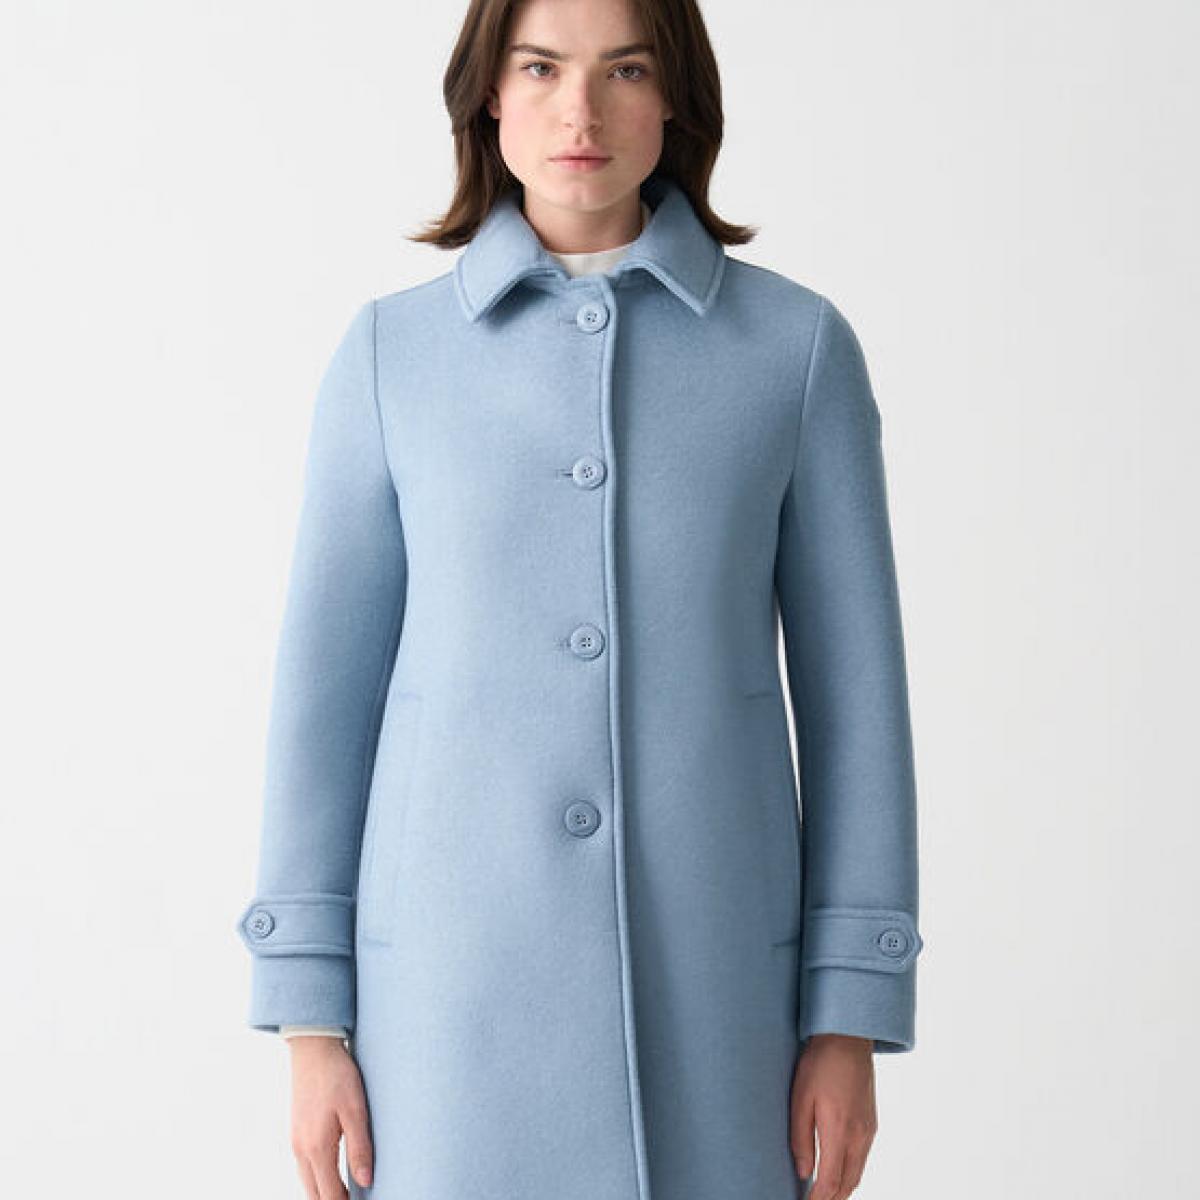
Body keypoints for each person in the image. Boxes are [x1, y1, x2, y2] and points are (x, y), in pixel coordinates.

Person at [235, 1, 924, 1197]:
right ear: (489, 94)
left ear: (677, 98)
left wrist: (849, 1014)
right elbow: (322, 706)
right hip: (443, 1012)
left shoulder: (796, 352)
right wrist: (309, 1019)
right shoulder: (392, 358)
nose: (581, 111)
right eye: (542, 68)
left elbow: (858, 710)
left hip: (716, 1000)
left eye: (627, 70)